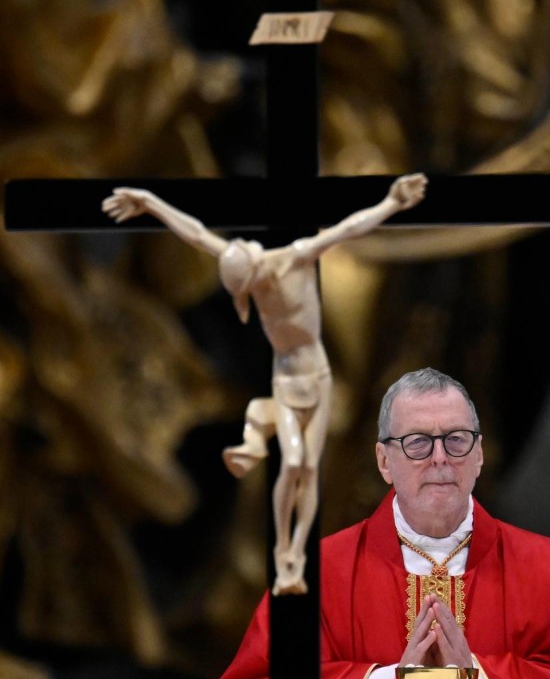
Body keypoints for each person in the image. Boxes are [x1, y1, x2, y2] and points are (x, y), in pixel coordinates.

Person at [217, 367, 550, 679]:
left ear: (479, 455)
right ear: (384, 461)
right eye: (417, 442)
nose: (439, 458)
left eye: (456, 440)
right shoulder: (318, 576)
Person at [103, 175, 428, 595]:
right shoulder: (244, 273)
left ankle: (293, 554)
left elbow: (349, 227)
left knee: (300, 471)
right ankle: (285, 551)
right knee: (284, 465)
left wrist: (392, 204)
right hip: (282, 381)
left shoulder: (293, 258)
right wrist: (149, 202)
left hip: (315, 383)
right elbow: (196, 233)